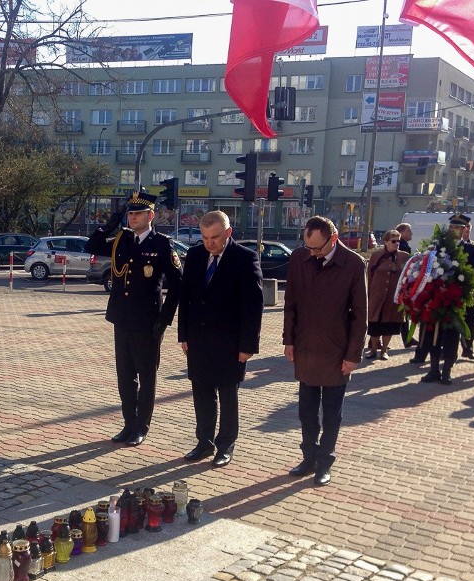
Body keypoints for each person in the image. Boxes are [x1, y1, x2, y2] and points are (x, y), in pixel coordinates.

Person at [85, 191, 182, 446]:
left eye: (137, 213)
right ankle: (128, 423)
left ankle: (141, 426)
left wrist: (165, 319)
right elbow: (91, 246)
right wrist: (113, 219)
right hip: (122, 319)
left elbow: (177, 284)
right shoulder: (121, 240)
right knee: (125, 377)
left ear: (150, 216)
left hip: (148, 322)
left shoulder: (161, 244)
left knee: (147, 377)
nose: (132, 217)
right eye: (129, 213)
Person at [283, 216, 367, 487]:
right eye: (307, 247)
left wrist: (353, 354)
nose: (311, 253)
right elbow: (291, 302)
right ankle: (308, 457)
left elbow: (360, 316)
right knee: (306, 411)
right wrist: (289, 340)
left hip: (336, 351)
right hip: (306, 347)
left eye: (317, 248)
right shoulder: (299, 258)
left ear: (332, 239)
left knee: (332, 413)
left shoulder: (353, 263)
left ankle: (325, 462)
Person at [178, 210, 264, 468]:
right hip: (199, 341)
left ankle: (225, 446)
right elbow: (186, 298)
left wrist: (248, 345)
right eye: (204, 238)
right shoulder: (194, 256)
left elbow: (253, 305)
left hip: (231, 343)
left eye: (214, 237)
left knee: (228, 397)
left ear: (228, 233)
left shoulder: (245, 258)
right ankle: (204, 442)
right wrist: (184, 335)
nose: (209, 243)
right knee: (202, 394)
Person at [419, 214, 471, 385]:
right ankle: (433, 369)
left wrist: (456, 281)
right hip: (436, 299)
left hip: (454, 302)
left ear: (464, 230)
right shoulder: (439, 247)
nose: (454, 231)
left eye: (458, 228)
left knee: (451, 337)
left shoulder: (470, 249)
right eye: (451, 227)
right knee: (433, 334)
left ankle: (447, 370)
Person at [365, 230, 409, 360]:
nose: (396, 244)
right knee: (375, 323)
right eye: (393, 241)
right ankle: (373, 349)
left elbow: (407, 275)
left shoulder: (404, 256)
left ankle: (384, 350)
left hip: (393, 296)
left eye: (398, 241)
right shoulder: (376, 255)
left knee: (389, 324)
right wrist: (369, 293)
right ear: (386, 242)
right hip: (377, 295)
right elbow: (369, 274)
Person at [459, 220, 474, 360]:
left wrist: (465, 274)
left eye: (468, 228)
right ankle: (446, 349)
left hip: (467, 289)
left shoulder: (473, 248)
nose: (466, 230)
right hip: (452, 289)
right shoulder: (449, 246)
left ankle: (468, 348)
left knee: (470, 319)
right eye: (463, 228)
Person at [395, 222, 417, 348]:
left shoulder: (404, 245)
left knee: (403, 312)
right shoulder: (402, 246)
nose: (411, 233)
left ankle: (407, 337)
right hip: (400, 284)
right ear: (401, 233)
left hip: (401, 283)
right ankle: (407, 338)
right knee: (400, 312)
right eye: (408, 231)